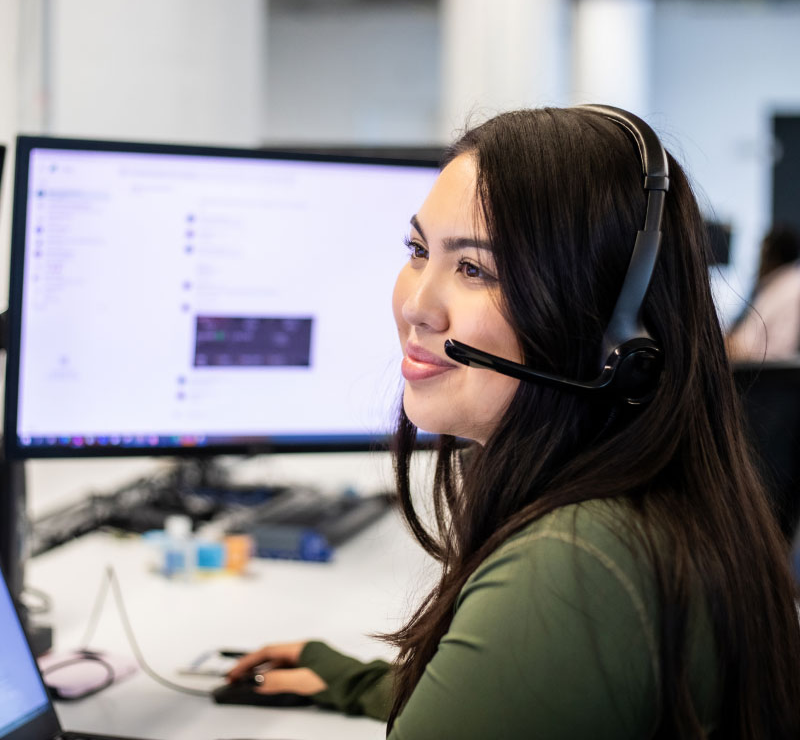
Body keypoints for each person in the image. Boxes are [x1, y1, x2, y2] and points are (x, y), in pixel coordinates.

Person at [227, 107, 800, 738]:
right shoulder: (645, 511)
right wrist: (362, 683)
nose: (417, 305)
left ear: (609, 336)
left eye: (474, 268)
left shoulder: (571, 568)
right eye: (419, 250)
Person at [726, 224, 800, 360]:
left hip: (764, 374)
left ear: (774, 255)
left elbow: (772, 352)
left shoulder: (789, 289)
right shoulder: (776, 284)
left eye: (763, 251)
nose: (759, 260)